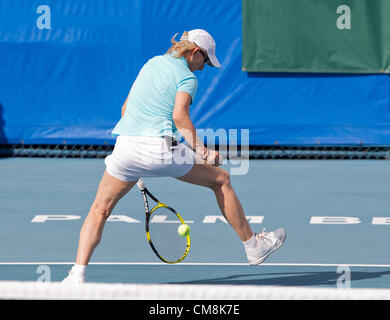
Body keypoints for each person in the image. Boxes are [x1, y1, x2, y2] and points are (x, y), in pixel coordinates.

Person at [62, 29, 286, 284]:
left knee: (99, 210)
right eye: (205, 61)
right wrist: (203, 151)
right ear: (195, 53)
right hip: (160, 150)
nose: (203, 68)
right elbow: (180, 116)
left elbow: (125, 109)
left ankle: (76, 276)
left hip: (125, 149)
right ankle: (253, 246)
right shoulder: (187, 78)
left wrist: (134, 157)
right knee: (221, 179)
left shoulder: (151, 63)